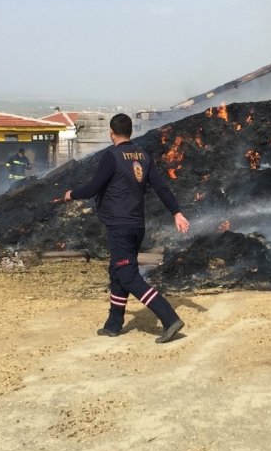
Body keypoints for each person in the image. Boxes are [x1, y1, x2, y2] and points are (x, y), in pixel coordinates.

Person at [63, 113, 191, 344]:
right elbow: (161, 187)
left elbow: (93, 188)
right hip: (136, 225)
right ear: (130, 131)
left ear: (111, 132)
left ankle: (169, 317)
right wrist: (176, 212)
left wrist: (71, 194)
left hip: (120, 225)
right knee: (117, 271)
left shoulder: (111, 156)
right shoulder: (142, 155)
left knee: (127, 274)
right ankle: (113, 325)